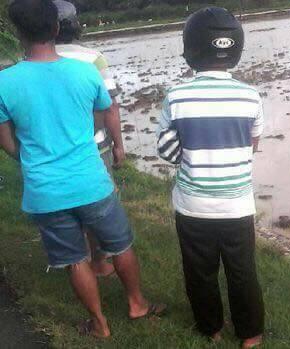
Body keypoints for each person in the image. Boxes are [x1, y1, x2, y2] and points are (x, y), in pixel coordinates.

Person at [0, 0, 165, 339]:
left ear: (18, 33)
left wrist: (29, 156)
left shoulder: (4, 82)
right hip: (91, 180)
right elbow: (102, 116)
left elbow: (7, 142)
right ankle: (137, 304)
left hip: (45, 189)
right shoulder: (86, 72)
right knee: (120, 244)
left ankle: (100, 324)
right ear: (57, 29)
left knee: (76, 259)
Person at [157, 7, 264, 348]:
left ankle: (211, 328)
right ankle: (251, 334)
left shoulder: (176, 96)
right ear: (236, 48)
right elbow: (253, 145)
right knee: (243, 271)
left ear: (189, 49)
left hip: (193, 206)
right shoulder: (250, 96)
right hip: (237, 205)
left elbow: (168, 151)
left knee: (200, 272)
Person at [54, 0, 119, 278]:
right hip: (95, 145)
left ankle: (77, 262)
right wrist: (120, 145)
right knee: (98, 206)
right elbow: (109, 106)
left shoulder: (31, 60)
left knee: (66, 207)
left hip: (53, 149)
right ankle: (101, 263)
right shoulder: (93, 57)